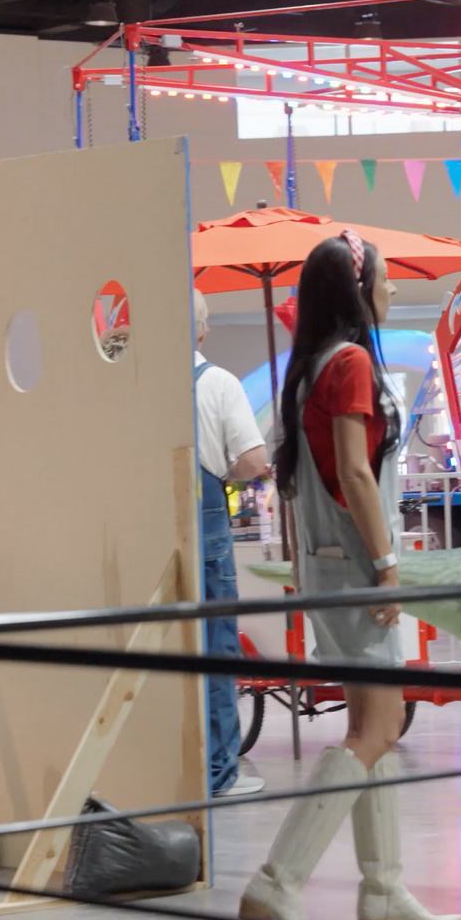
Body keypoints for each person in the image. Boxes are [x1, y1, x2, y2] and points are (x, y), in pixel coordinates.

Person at [239, 231, 459, 920]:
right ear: (360, 291)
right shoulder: (354, 363)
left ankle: (384, 890)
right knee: (376, 730)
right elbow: (356, 474)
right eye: (386, 280)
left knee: (376, 731)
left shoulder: (308, 368)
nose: (392, 292)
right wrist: (389, 563)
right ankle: (279, 881)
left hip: (325, 563)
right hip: (358, 568)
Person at [191, 289, 269, 798]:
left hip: (155, 530)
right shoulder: (218, 383)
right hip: (208, 524)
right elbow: (254, 461)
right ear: (199, 329)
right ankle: (219, 771)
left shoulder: (138, 386)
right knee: (216, 644)